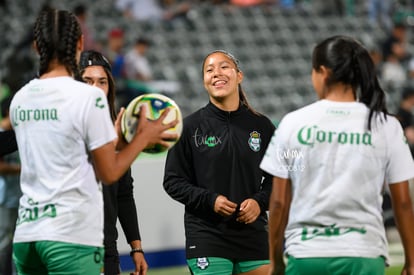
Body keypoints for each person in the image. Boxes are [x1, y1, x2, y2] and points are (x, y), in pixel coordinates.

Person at [10, 8, 177, 275]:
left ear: (35, 46)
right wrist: (142, 137)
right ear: (79, 44)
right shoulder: (88, 99)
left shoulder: (21, 98)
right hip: (70, 236)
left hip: (27, 235)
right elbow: (109, 173)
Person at [260, 35, 414, 275]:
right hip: (364, 254)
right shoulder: (387, 126)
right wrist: (412, 262)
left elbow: (279, 201)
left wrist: (275, 260)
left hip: (307, 254)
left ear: (323, 72)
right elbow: (402, 202)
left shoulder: (292, 124)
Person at [163, 50, 275, 275]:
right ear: (204, 81)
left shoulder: (262, 126)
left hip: (254, 237)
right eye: (209, 70)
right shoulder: (189, 127)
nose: (216, 73)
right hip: (207, 236)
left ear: (239, 76)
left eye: (224, 67)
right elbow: (172, 181)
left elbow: (279, 178)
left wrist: (259, 203)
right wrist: (210, 200)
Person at [79, 50, 148, 275]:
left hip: (106, 248)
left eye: (102, 82)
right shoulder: (64, 130)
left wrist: (136, 248)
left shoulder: (114, 132)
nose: (96, 88)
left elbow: (124, 194)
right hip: (71, 245)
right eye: (87, 81)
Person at [0, 96, 21, 275]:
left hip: (20, 199)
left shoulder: (19, 133)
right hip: (4, 200)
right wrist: (22, 169)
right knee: (3, 245)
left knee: (17, 245)